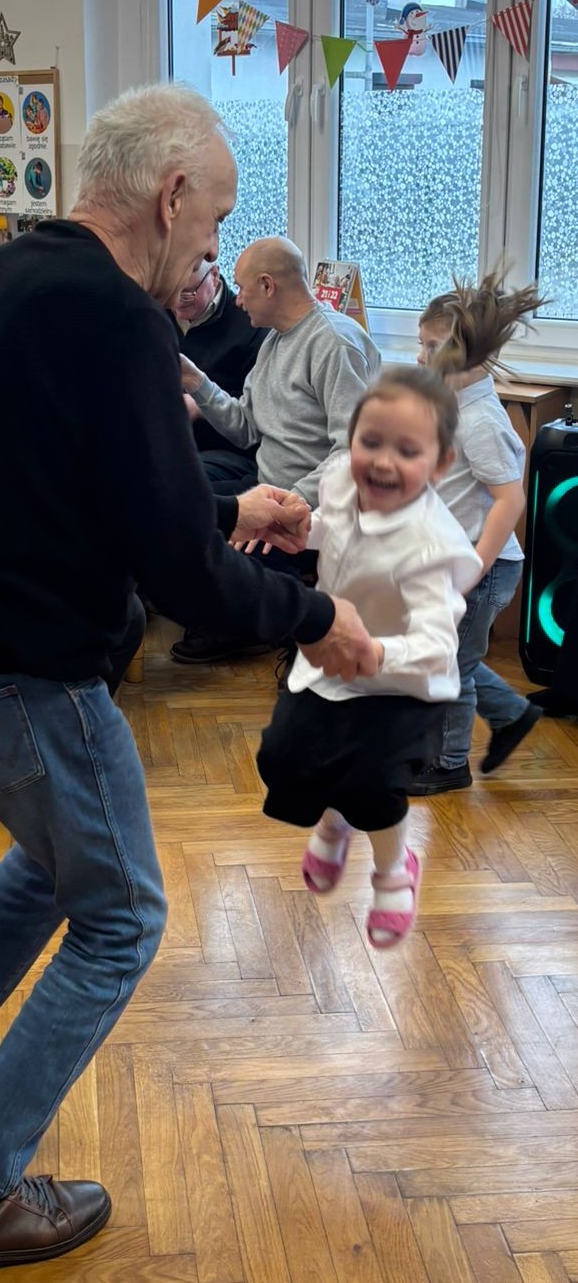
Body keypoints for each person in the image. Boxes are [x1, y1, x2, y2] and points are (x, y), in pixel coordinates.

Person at [0, 82, 378, 1282]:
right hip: (15, 669)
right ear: (171, 192)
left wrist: (224, 510)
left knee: (58, 860)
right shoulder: (118, 319)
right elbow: (179, 575)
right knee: (122, 916)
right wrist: (318, 619)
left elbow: (56, 488)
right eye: (217, 218)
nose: (211, 247)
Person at [257, 366, 481, 949]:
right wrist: (302, 531)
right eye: (371, 442)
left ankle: (393, 870)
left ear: (440, 464)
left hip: (401, 683)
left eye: (407, 451)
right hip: (331, 664)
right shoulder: (341, 482)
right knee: (284, 758)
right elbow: (336, 530)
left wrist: (377, 650)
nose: (382, 462)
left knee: (373, 784)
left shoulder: (431, 546)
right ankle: (335, 821)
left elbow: (438, 645)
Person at [174, 237, 380, 663]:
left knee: (214, 585)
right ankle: (244, 610)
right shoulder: (274, 341)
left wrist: (289, 502)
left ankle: (269, 616)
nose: (237, 299)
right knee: (189, 508)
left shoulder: (335, 344)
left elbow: (356, 453)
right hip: (269, 486)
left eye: (242, 287)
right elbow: (246, 428)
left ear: (268, 285)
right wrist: (197, 382)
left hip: (310, 507)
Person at [409, 270, 546, 795]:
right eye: (421, 345)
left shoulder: (482, 421)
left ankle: (449, 763)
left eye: (432, 347)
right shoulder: (454, 406)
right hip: (459, 562)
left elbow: (511, 500)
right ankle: (512, 713)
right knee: (450, 656)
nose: (421, 357)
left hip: (483, 569)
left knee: (452, 668)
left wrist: (473, 569)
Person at [172, 260, 266, 494]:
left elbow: (257, 412)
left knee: (172, 477)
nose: (177, 302)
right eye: (172, 291)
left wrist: (199, 406)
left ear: (214, 276)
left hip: (229, 449)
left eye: (187, 294)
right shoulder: (161, 311)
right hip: (170, 438)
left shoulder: (252, 322)